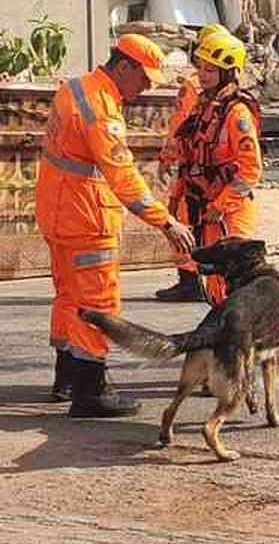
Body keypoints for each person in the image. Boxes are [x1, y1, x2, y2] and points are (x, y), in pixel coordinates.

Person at [36, 34, 195, 417]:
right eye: (143, 79)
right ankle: (91, 391)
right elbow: (122, 175)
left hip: (57, 210)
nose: (145, 89)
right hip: (86, 216)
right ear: (123, 66)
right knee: (98, 301)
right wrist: (165, 220)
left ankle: (68, 376)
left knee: (68, 294)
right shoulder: (101, 108)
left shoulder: (76, 87)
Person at [166, 26, 263, 307]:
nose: (203, 74)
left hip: (230, 211)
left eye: (211, 69)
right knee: (216, 287)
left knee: (238, 283)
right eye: (202, 67)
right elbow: (190, 157)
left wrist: (222, 204)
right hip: (206, 209)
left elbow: (250, 170)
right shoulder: (202, 107)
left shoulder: (237, 112)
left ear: (228, 72)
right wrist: (178, 194)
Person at [155, 23, 223, 302]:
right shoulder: (226, 91)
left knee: (184, 218)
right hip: (209, 171)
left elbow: (181, 125)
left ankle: (189, 279)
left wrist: (168, 156)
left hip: (192, 168)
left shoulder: (194, 86)